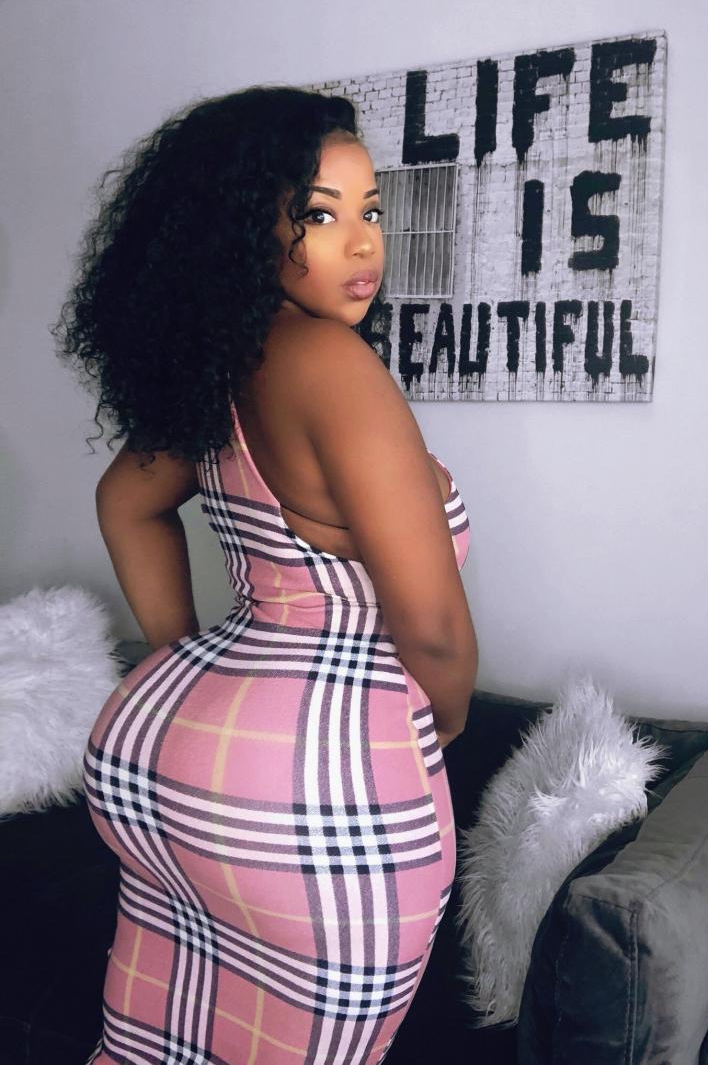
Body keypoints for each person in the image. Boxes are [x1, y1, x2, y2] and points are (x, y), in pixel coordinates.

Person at [52, 84, 477, 1064]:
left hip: (164, 766)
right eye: (319, 216)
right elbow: (431, 626)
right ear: (245, 231)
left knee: (160, 1039)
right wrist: (440, 719)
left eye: (371, 210)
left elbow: (125, 502)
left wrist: (185, 663)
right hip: (312, 788)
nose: (362, 242)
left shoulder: (224, 367)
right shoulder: (331, 363)